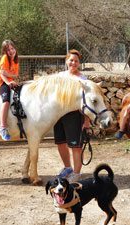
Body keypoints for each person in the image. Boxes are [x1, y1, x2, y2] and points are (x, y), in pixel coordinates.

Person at [54, 49, 90, 183]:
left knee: (76, 146)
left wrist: (86, 120)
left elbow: (87, 101)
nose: (73, 63)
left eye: (76, 61)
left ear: (79, 63)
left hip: (75, 116)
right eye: (71, 60)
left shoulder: (83, 79)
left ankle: (76, 173)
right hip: (59, 115)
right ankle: (67, 168)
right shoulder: (60, 76)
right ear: (66, 61)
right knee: (61, 143)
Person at [0, 40, 19, 141]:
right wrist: (8, 82)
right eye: (8, 50)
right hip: (1, 83)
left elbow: (15, 75)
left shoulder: (15, 60)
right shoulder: (5, 58)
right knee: (6, 101)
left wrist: (9, 77)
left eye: (12, 48)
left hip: (10, 81)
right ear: (5, 52)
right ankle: (2, 127)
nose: (11, 51)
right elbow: (1, 74)